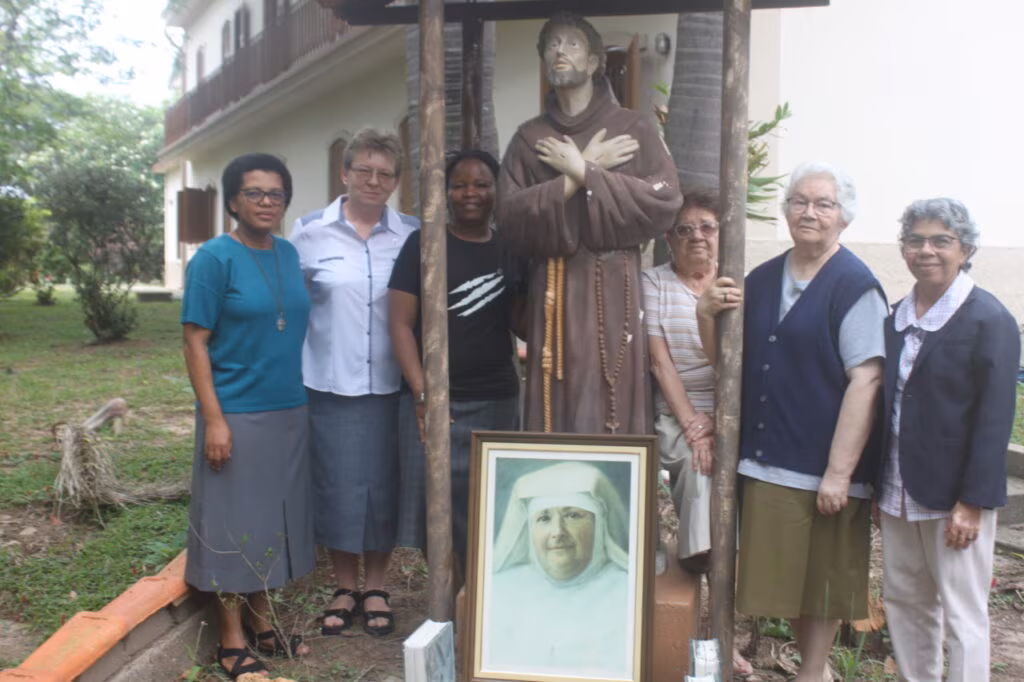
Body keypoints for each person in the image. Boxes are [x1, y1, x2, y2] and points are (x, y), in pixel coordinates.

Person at [699, 162, 887, 682]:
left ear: (844, 217)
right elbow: (727, 367)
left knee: (822, 585)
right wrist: (704, 315)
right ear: (785, 212)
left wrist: (839, 473)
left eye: (823, 204)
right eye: (799, 201)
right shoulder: (762, 279)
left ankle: (812, 674)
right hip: (768, 462)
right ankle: (817, 673)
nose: (809, 212)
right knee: (788, 584)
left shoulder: (855, 287)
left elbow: (867, 380)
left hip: (824, 466)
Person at [497, 11, 682, 436]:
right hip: (552, 290)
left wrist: (585, 171)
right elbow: (509, 218)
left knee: (610, 401)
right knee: (555, 407)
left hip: (615, 287)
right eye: (552, 44)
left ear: (595, 61)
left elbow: (663, 202)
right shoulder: (530, 139)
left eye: (573, 43)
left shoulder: (633, 129)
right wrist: (575, 176)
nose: (560, 50)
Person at [876, 199, 1019, 682]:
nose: (926, 250)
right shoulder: (896, 317)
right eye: (915, 240)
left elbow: (995, 419)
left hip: (955, 498)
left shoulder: (989, 320)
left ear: (966, 249)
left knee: (963, 613)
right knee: (905, 600)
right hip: (898, 488)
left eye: (941, 240)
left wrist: (972, 502)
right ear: (903, 249)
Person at [182, 153, 312, 679]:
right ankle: (230, 639)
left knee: (273, 520)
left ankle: (261, 622)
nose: (266, 202)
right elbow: (195, 341)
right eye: (254, 193)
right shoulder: (214, 259)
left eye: (276, 194)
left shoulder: (288, 253)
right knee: (234, 521)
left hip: (289, 409)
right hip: (235, 412)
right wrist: (214, 419)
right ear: (233, 201)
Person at [290, 128, 419, 638]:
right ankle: (344, 586)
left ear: (396, 182)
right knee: (338, 487)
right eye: (363, 169)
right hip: (330, 383)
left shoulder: (412, 234)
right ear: (344, 174)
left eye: (385, 173)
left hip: (393, 384)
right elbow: (292, 306)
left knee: (384, 488)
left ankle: (377, 585)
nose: (373, 180)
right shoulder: (308, 233)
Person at [389, 150, 527, 569]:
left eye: (481, 185)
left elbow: (523, 324)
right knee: (434, 511)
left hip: (496, 399)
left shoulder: (510, 248)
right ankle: (444, 596)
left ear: (497, 191)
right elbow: (399, 324)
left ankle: (474, 595)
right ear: (445, 192)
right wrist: (423, 395)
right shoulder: (423, 244)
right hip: (435, 403)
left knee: (490, 506)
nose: (471, 193)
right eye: (460, 185)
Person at [641, 188, 753, 676]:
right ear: (669, 239)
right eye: (684, 230)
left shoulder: (737, 283)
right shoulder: (653, 281)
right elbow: (659, 362)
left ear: (723, 233)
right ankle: (700, 573)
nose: (697, 237)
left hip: (733, 407)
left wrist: (718, 417)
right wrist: (693, 423)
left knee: (743, 496)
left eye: (707, 227)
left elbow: (745, 361)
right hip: (676, 410)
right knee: (700, 468)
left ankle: (723, 623)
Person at [485, 462, 631, 678]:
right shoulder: (499, 590)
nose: (557, 531)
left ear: (598, 525)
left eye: (572, 515)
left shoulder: (627, 593)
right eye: (544, 518)